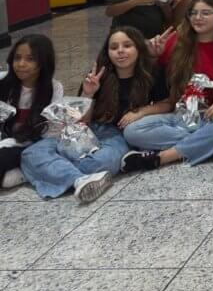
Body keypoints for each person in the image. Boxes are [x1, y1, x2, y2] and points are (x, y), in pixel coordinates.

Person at [21, 27, 167, 202]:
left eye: (127, 46)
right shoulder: (98, 75)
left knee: (98, 164)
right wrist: (88, 93)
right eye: (114, 47)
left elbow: (167, 104)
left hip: (119, 136)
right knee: (31, 153)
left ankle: (53, 171)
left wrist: (141, 112)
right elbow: (83, 121)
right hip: (91, 129)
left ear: (138, 48)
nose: (120, 51)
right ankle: (79, 180)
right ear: (108, 52)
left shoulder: (151, 73)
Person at [120, 0, 213, 172]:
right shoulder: (175, 43)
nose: (198, 18)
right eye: (193, 13)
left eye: (205, 13)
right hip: (181, 117)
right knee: (132, 131)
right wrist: (152, 56)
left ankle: (163, 157)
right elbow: (151, 81)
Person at [0, 35, 62, 189]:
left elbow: (51, 132)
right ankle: (22, 172)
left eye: (30, 59)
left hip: (30, 143)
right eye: (17, 58)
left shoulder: (54, 88)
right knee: (6, 180)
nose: (21, 64)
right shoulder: (4, 83)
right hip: (4, 139)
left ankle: (25, 170)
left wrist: (14, 142)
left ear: (43, 62)